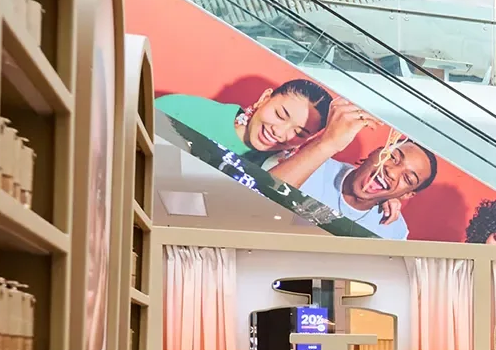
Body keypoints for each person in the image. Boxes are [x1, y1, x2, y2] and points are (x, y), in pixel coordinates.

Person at [263, 99, 439, 237]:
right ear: (376, 152)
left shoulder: (394, 231)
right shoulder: (311, 163)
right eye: (392, 157)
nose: (392, 172)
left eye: (408, 179)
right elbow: (257, 196)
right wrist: (327, 143)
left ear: (407, 194)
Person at [156, 77, 333, 168]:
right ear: (264, 99)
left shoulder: (280, 172)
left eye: (299, 133)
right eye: (280, 115)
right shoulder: (182, 109)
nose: (280, 132)